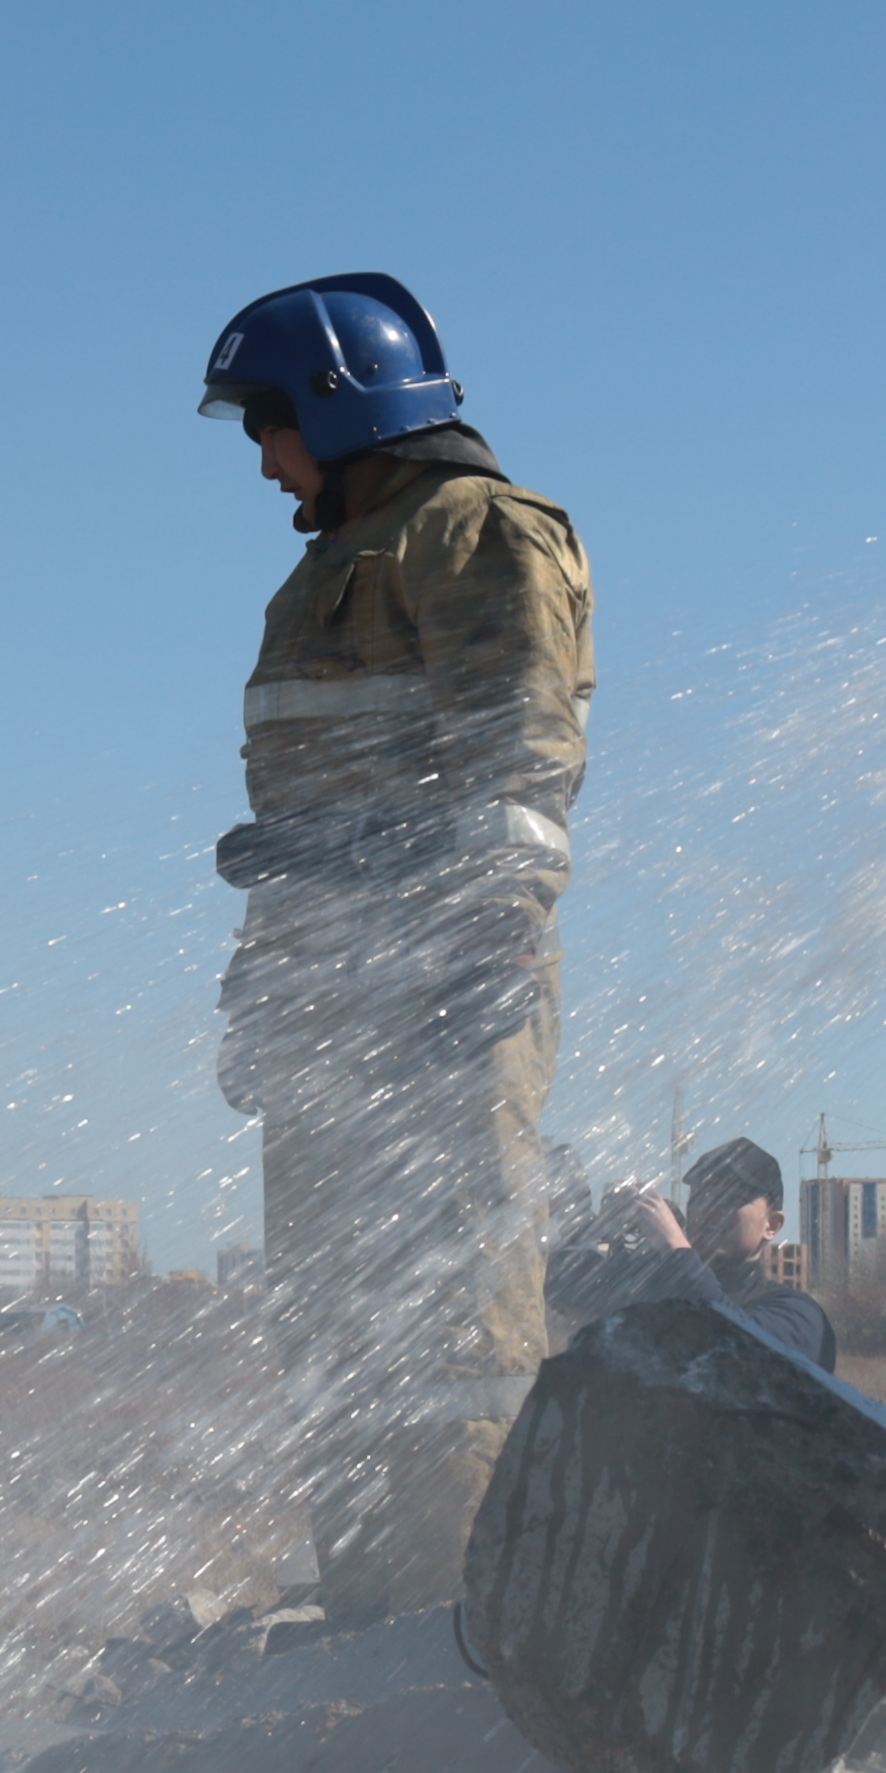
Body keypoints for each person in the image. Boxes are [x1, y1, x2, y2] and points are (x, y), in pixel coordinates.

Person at [196, 274, 593, 1621]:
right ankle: (372, 1621)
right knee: (334, 1320)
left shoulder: (480, 537)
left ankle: (461, 1636)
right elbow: (301, 822)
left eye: (269, 424)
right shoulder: (321, 571)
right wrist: (265, 994)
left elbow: (522, 764)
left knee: (454, 1315)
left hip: (446, 987)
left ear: (335, 401)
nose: (260, 457)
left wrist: (485, 943)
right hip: (328, 992)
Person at [579, 1135, 836, 1373]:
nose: (710, 1209)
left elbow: (736, 1347)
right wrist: (597, 1226)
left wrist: (675, 1247)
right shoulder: (655, 1286)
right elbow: (570, 1292)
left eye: (731, 1199)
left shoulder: (799, 1315)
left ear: (773, 1225)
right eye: (701, 1197)